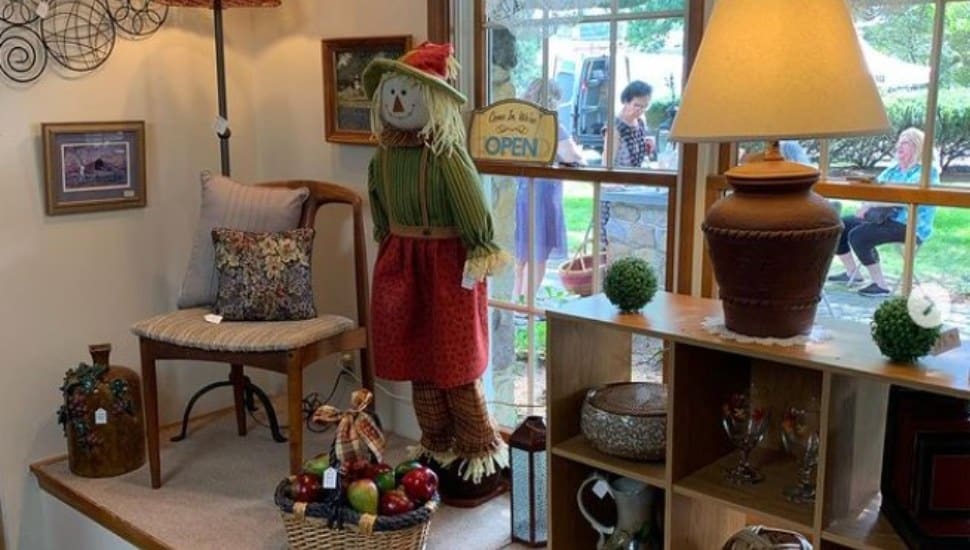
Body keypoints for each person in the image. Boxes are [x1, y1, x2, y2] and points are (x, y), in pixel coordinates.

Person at [363, 42, 510, 503]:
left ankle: (478, 452)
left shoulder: (447, 154)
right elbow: (380, 212)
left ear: (434, 99)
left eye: (409, 93)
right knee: (418, 361)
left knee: (456, 364)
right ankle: (438, 444)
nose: (399, 103)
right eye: (393, 93)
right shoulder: (382, 157)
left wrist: (480, 247)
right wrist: (389, 247)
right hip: (403, 265)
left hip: (448, 267)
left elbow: (472, 208)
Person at [828, 127, 938, 297]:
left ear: (918, 147)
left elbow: (904, 198)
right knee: (839, 227)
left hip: (910, 225)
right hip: (882, 219)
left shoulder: (926, 172)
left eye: (905, 143)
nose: (899, 147)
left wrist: (870, 204)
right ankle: (853, 273)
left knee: (859, 235)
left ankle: (880, 285)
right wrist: (865, 196)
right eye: (899, 142)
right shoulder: (893, 170)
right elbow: (876, 189)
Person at [512, 79, 586, 302]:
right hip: (543, 195)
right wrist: (580, 154)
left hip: (519, 191)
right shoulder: (551, 125)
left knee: (520, 253)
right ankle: (526, 303)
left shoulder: (517, 124)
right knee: (538, 253)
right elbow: (572, 156)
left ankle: (515, 300)